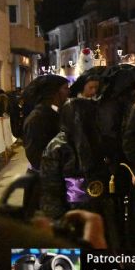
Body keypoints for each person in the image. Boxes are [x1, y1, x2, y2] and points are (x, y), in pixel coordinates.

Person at [40, 98, 120, 247]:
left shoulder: (99, 139)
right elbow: (50, 189)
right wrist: (58, 220)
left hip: (102, 208)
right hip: (72, 211)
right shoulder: (57, 146)